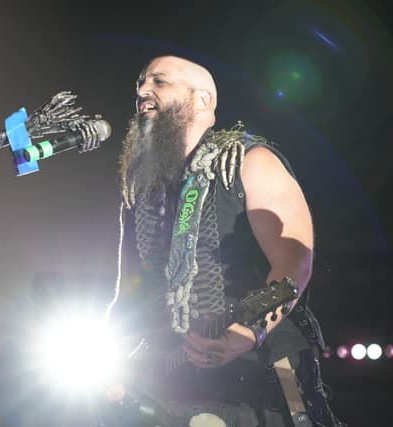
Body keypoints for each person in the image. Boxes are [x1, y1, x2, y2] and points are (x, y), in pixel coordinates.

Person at [107, 55, 345, 427]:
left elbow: (294, 260)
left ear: (202, 100)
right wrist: (113, 360)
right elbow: (128, 292)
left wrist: (249, 330)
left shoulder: (250, 160)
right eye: (140, 83)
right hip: (164, 381)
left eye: (159, 81)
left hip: (259, 371)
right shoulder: (140, 187)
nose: (142, 91)